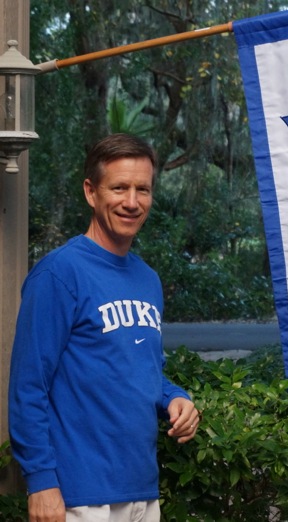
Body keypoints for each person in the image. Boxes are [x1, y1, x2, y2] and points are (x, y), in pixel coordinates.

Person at [8, 133, 200, 522]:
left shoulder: (147, 279)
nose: (132, 202)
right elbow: (28, 385)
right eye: (119, 188)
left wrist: (174, 399)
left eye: (142, 189)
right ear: (91, 192)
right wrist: (41, 482)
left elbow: (143, 367)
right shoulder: (59, 275)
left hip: (141, 492)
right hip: (79, 496)